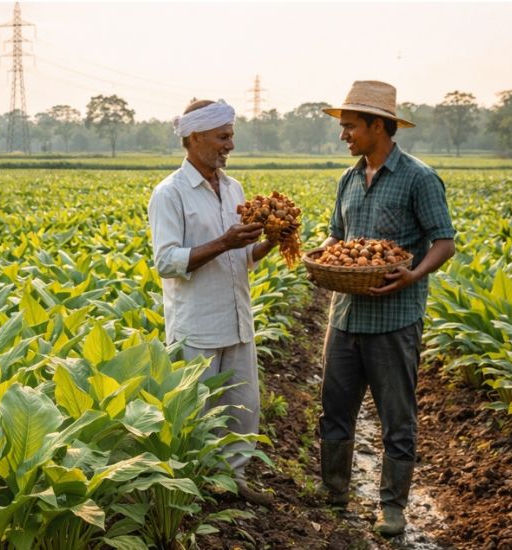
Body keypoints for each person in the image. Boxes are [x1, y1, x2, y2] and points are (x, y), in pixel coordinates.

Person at [316, 81, 456, 536]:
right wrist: (321, 256)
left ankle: (392, 507)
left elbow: (444, 242)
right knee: (335, 407)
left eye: (351, 127)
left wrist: (414, 274)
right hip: (345, 316)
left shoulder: (418, 177)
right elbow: (338, 236)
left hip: (394, 320)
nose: (344, 136)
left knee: (397, 415)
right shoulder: (348, 179)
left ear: (379, 126)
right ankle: (334, 490)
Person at [147, 99, 284, 499]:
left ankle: (234, 482)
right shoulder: (170, 193)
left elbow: (241, 258)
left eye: (231, 136)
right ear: (194, 137)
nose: (230, 145)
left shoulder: (234, 188)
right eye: (222, 137)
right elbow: (167, 261)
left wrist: (269, 243)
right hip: (198, 325)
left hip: (238, 319)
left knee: (244, 409)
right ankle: (195, 491)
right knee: (198, 413)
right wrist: (224, 242)